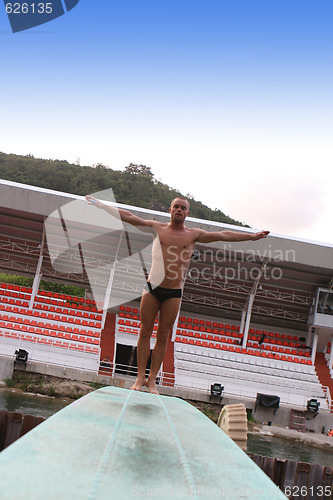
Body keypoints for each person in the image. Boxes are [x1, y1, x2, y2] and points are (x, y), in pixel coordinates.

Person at [86, 195, 269, 394]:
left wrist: (250, 237)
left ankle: (152, 380)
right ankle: (139, 378)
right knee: (144, 331)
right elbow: (130, 217)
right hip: (152, 288)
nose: (179, 210)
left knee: (163, 335)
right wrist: (104, 206)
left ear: (187, 212)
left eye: (183, 208)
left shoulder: (194, 235)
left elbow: (223, 235)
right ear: (170, 210)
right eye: (176, 207)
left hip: (173, 291)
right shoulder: (157, 228)